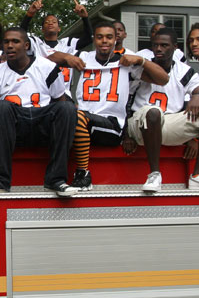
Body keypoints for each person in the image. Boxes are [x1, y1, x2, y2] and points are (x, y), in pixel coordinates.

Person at [124, 28, 199, 192]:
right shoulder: (141, 66)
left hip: (168, 124)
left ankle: (198, 175)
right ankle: (154, 174)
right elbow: (125, 100)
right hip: (140, 125)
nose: (158, 49)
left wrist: (197, 97)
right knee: (153, 111)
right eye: (155, 45)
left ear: (175, 47)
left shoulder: (184, 70)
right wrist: (126, 133)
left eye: (164, 45)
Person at [70, 21, 169, 190]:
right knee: (63, 114)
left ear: (116, 39)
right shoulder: (85, 57)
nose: (104, 41)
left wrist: (141, 60)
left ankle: (83, 174)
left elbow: (163, 79)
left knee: (77, 116)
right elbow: (50, 58)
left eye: (109, 37)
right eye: (100, 37)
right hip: (85, 121)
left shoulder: (125, 63)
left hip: (111, 125)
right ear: (94, 39)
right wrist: (66, 57)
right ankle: (53, 178)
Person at [0, 27, 78, 196]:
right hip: (15, 128)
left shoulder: (47, 67)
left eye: (15, 41)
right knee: (1, 106)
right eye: (6, 42)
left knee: (67, 108)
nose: (10, 45)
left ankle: (57, 180)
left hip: (43, 123)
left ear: (26, 45)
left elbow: (59, 99)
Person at [20, 0, 93, 57]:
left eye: (54, 22)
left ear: (59, 29)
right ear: (42, 29)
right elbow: (20, 36)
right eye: (47, 22)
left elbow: (88, 39)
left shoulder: (67, 43)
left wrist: (85, 17)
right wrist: (29, 14)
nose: (50, 23)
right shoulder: (36, 43)